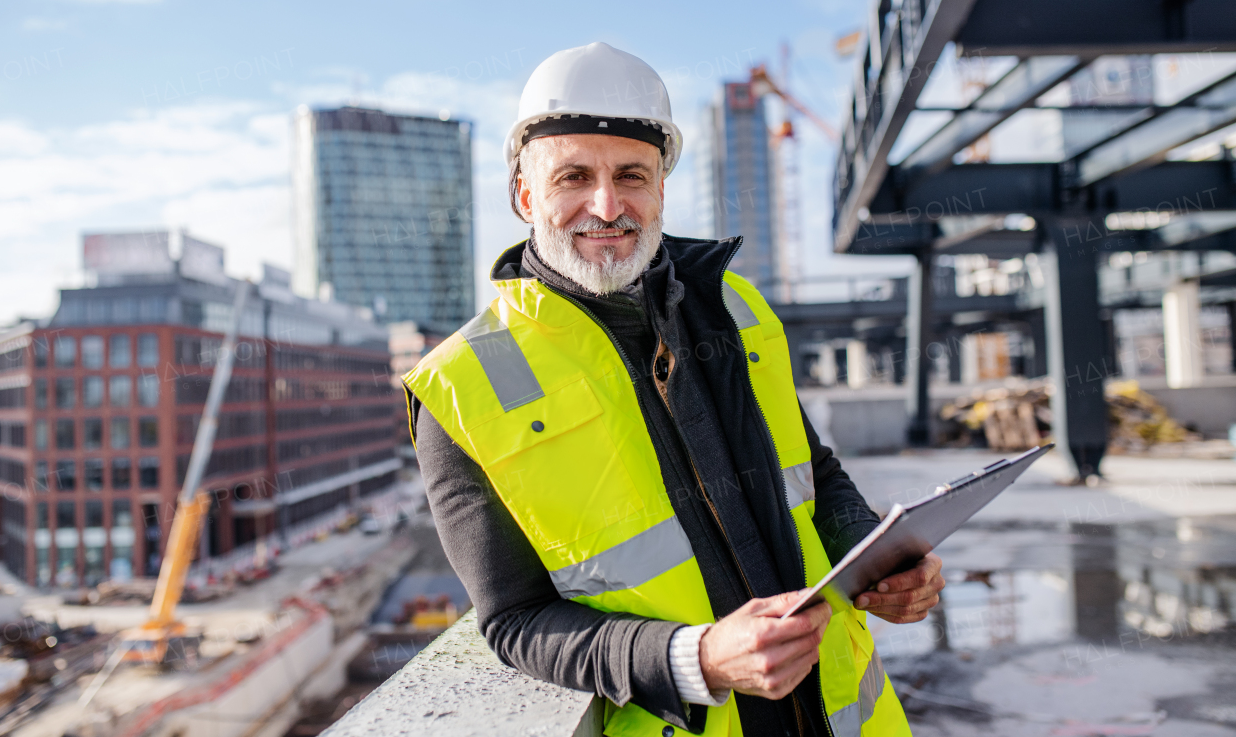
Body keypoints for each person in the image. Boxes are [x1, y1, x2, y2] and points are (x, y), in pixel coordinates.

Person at [404, 43, 944, 737]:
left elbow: (816, 473)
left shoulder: (739, 308)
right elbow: (515, 620)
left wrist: (877, 557)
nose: (606, 205)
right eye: (573, 176)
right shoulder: (462, 387)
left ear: (662, 187)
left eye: (632, 174)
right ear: (526, 195)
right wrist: (697, 659)